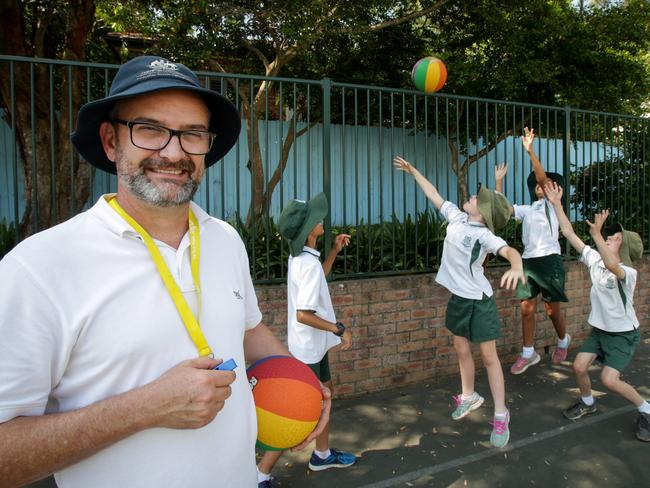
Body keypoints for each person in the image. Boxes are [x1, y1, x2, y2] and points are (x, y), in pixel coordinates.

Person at [0, 55, 330, 488]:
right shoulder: (38, 267)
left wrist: (298, 378)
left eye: (192, 134)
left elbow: (247, 330)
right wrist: (146, 407)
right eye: (150, 129)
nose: (174, 152)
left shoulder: (225, 240)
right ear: (112, 140)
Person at [394, 156, 525, 448]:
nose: (472, 195)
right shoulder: (457, 216)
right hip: (458, 298)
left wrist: (516, 266)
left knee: (489, 358)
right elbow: (434, 194)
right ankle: (469, 396)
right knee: (460, 346)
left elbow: (510, 251)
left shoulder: (485, 235)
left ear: (484, 212)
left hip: (479, 301)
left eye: (477, 197)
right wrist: (415, 171)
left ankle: (502, 414)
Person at [256, 193, 356, 487]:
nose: (321, 220)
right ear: (309, 229)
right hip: (309, 351)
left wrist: (335, 251)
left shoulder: (302, 258)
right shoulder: (306, 264)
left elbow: (317, 281)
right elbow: (303, 314)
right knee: (300, 410)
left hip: (312, 348)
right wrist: (339, 328)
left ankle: (322, 455)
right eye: (316, 219)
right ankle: (260, 474)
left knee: (326, 394)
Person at [544, 181, 650, 442]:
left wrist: (597, 236)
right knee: (579, 366)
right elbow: (568, 232)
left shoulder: (629, 273)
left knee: (610, 380)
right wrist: (557, 203)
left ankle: (646, 409)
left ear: (622, 249)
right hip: (600, 331)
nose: (609, 238)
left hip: (623, 335)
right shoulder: (594, 258)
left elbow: (613, 265)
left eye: (614, 239)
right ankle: (588, 403)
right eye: (609, 237)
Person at [495, 127, 570, 375]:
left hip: (549, 261)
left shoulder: (554, 205)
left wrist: (530, 151)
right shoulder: (529, 209)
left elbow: (541, 178)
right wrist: (498, 181)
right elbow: (503, 209)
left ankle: (563, 340)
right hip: (528, 262)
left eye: (547, 183)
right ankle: (528, 353)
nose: (542, 185)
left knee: (551, 311)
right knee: (526, 309)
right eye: (540, 184)